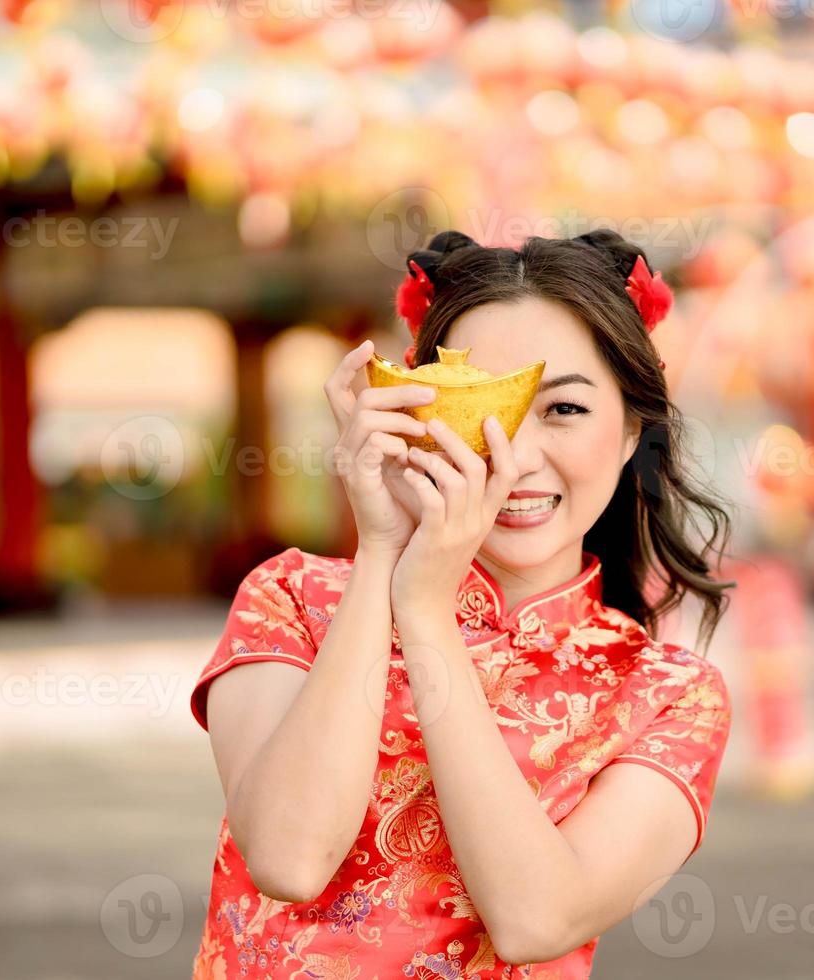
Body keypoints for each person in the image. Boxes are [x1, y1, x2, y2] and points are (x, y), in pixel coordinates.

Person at [188, 230, 734, 978]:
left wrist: (423, 612)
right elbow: (289, 857)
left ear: (634, 428)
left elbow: (535, 917)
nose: (511, 455)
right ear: (410, 410)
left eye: (564, 409)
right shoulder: (292, 599)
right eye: (475, 404)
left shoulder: (667, 695)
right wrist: (383, 557)